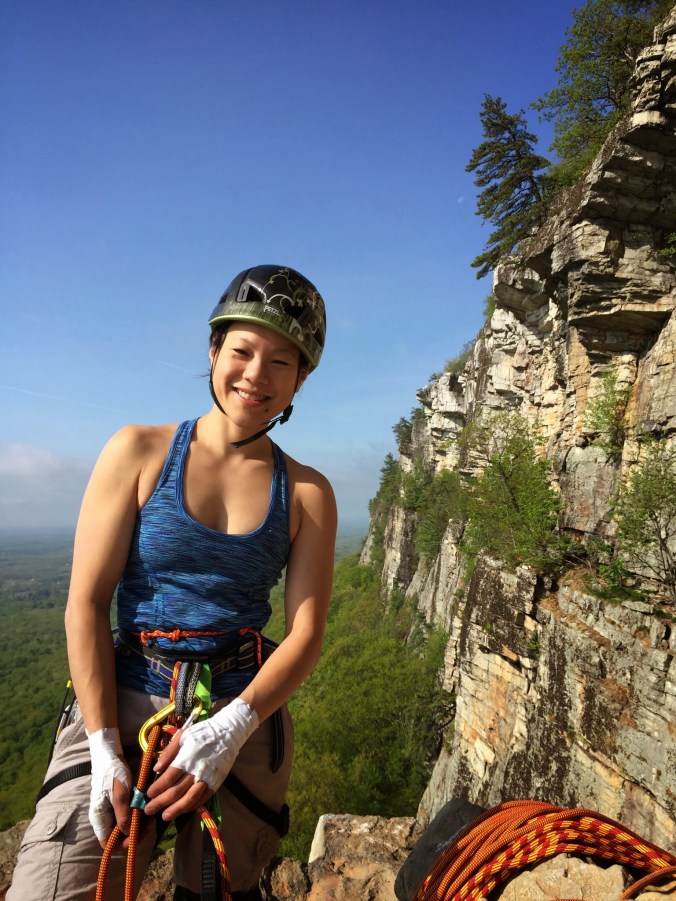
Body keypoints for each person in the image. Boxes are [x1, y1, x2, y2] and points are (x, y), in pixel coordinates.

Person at [8, 265, 337, 901]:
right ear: (213, 352)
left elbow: (306, 633)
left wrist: (233, 727)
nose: (255, 375)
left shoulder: (306, 493)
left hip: (242, 700)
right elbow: (86, 603)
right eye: (241, 351)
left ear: (300, 380)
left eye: (280, 362)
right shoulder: (138, 452)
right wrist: (104, 745)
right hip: (128, 687)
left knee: (217, 888)